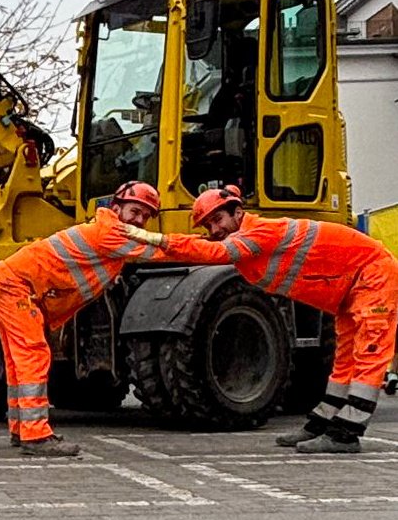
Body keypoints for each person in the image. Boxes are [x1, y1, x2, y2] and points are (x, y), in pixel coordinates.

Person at [121, 185, 398, 453]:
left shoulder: (260, 231)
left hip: (371, 278)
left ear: (238, 212)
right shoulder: (245, 237)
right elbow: (201, 244)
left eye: (217, 220)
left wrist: (158, 239)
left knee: (368, 353)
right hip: (351, 286)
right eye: (208, 225)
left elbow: (217, 252)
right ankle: (322, 423)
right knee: (345, 358)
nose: (215, 230)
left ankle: (347, 434)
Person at [0, 181, 165, 457]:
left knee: (18, 360)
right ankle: (36, 435)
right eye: (135, 211)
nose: (140, 219)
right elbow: (173, 248)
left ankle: (22, 429)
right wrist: (224, 250)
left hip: (5, 282)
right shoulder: (110, 235)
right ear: (116, 208)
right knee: (33, 354)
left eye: (146, 215)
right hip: (14, 286)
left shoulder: (104, 234)